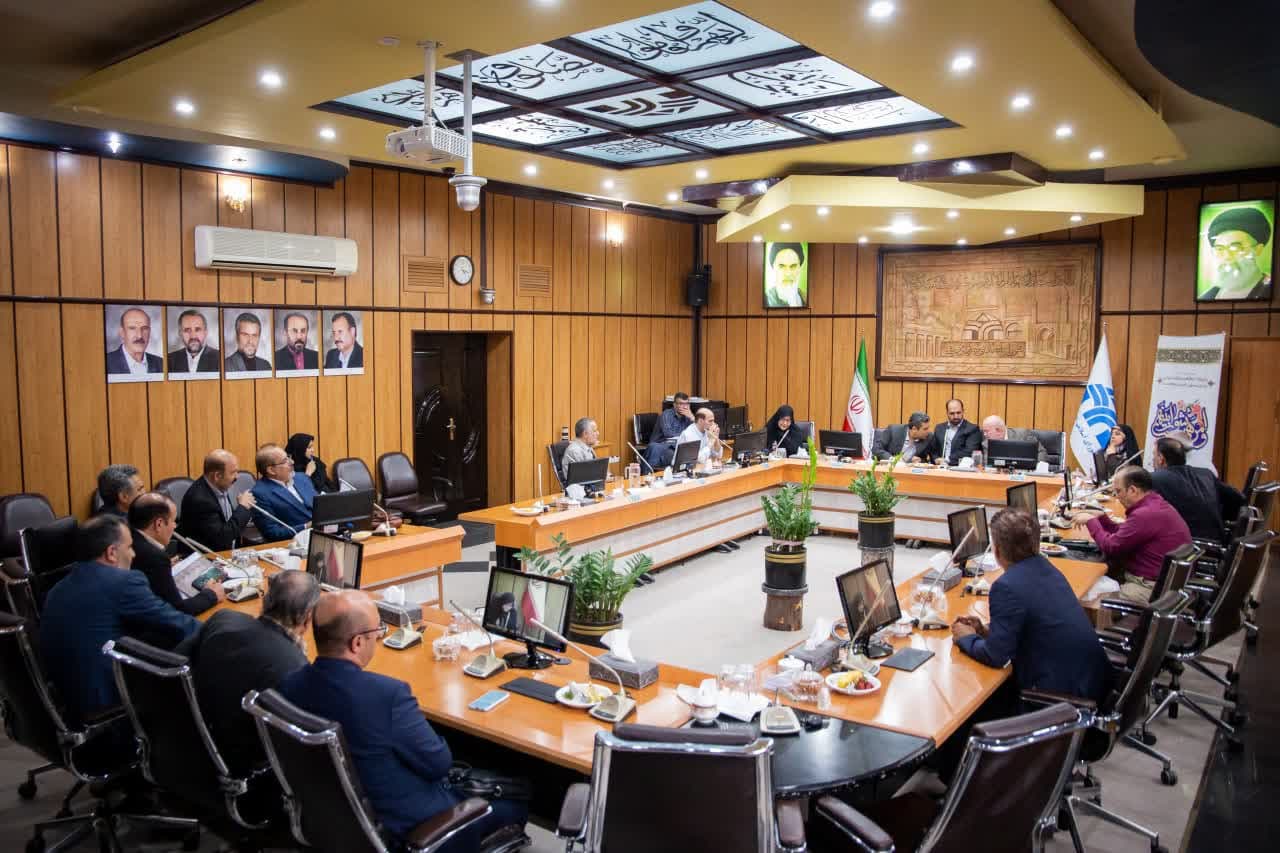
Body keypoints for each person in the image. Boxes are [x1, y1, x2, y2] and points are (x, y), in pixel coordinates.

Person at [278, 590, 527, 850]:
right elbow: (439, 764)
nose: (378, 637)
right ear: (357, 643)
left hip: (335, 821)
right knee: (515, 803)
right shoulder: (386, 695)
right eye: (377, 631)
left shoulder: (290, 684)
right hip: (409, 827)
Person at [39, 516, 200, 723]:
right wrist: (220, 629)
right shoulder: (122, 582)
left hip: (70, 697)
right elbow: (179, 624)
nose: (133, 554)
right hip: (108, 699)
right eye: (130, 547)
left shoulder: (57, 589)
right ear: (112, 552)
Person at [952, 509, 1111, 701]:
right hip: (1092, 680)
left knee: (979, 699)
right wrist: (986, 631)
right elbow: (1034, 623)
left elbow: (995, 656)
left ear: (997, 551)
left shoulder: (1005, 587)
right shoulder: (1047, 567)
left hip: (1063, 697)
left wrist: (966, 638)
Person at [177, 571, 319, 776]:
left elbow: (174, 663)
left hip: (185, 737)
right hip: (238, 767)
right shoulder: (296, 668)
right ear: (307, 618)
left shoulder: (223, 619)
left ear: (265, 599)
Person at [1083, 465, 1192, 603]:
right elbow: (1128, 533)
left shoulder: (1144, 514)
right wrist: (1102, 519)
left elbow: (1112, 547)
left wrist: (1091, 522)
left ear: (1133, 490)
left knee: (1088, 599)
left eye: (1118, 491)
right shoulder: (1155, 503)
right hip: (1166, 582)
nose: (1116, 496)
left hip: (1150, 587)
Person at [129, 492, 224, 615]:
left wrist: (163, 569)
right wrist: (211, 595)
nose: (175, 526)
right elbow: (177, 610)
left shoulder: (127, 537)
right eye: (173, 521)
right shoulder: (154, 557)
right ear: (159, 524)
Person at [1152, 437, 1245, 544]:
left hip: (1189, 548)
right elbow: (1239, 500)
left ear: (1161, 459)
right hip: (1219, 542)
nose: (1152, 460)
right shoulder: (1206, 474)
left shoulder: (1155, 479)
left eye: (1154, 455)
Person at [179, 450, 257, 552]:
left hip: (229, 553)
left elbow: (227, 522)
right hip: (208, 557)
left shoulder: (219, 486)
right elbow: (222, 538)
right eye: (233, 472)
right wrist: (243, 507)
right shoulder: (200, 500)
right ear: (217, 476)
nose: (237, 477)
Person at [1200, 206, 1273, 301]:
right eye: (1220, 249)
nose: (1227, 257)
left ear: (1258, 249)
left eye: (1235, 248)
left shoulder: (1270, 290)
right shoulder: (1207, 297)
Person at [250, 443, 317, 542]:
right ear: (271, 470)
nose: (292, 462)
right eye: (285, 461)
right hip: (295, 542)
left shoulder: (302, 478)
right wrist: (305, 526)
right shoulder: (260, 493)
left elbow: (318, 505)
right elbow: (272, 533)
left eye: (289, 457)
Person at [644, 392, 694, 470]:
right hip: (662, 445)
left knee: (693, 453)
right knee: (677, 456)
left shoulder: (688, 417)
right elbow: (669, 433)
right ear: (674, 405)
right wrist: (684, 436)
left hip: (677, 446)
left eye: (686, 404)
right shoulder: (666, 415)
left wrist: (692, 418)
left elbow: (694, 433)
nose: (684, 407)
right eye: (681, 404)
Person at [106, 307, 163, 375]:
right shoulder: (105, 363)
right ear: (122, 332)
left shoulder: (161, 364)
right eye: (132, 328)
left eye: (144, 328)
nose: (139, 336)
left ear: (149, 332)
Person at [167, 308, 220, 374]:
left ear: (205, 332)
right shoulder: (169, 361)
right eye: (187, 330)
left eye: (197, 330)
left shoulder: (220, 358)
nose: (193, 336)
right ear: (180, 334)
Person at [980, 415, 1048, 464]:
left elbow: (1041, 452)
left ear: (999, 430)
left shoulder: (1022, 435)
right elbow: (988, 462)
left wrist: (1034, 466)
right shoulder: (986, 444)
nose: (984, 434)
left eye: (987, 431)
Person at [933, 398, 981, 465]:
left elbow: (969, 451)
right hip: (939, 467)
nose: (956, 416)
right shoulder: (939, 428)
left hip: (959, 467)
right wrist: (936, 459)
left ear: (963, 411)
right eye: (952, 413)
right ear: (947, 413)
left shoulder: (972, 429)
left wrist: (947, 460)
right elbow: (933, 449)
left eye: (958, 413)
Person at [765, 242, 806, 308]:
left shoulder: (805, 298)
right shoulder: (766, 299)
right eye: (782, 266)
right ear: (773, 268)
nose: (788, 273)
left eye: (793, 266)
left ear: (799, 268)